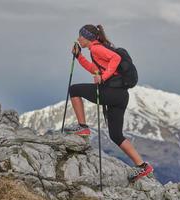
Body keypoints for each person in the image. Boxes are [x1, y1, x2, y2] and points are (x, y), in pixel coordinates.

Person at [63, 24, 153, 181]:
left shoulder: (96, 49)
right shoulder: (96, 50)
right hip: (121, 96)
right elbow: (94, 69)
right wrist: (79, 57)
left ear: (88, 38)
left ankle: (82, 127)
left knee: (74, 90)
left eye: (81, 37)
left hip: (111, 93)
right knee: (116, 135)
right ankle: (142, 166)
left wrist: (103, 78)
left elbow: (115, 59)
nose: (78, 39)